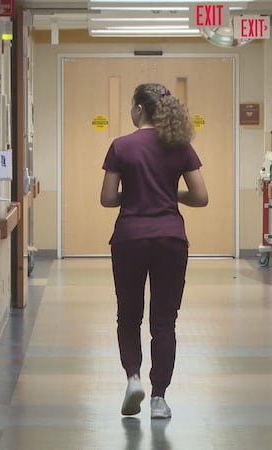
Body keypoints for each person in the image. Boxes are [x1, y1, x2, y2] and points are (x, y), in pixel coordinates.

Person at [100, 83, 208, 419]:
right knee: (164, 322)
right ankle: (159, 398)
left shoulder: (121, 146)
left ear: (138, 109)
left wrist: (133, 197)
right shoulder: (180, 145)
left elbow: (106, 199)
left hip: (130, 238)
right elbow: (201, 197)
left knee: (128, 316)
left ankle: (133, 378)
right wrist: (169, 195)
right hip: (170, 240)